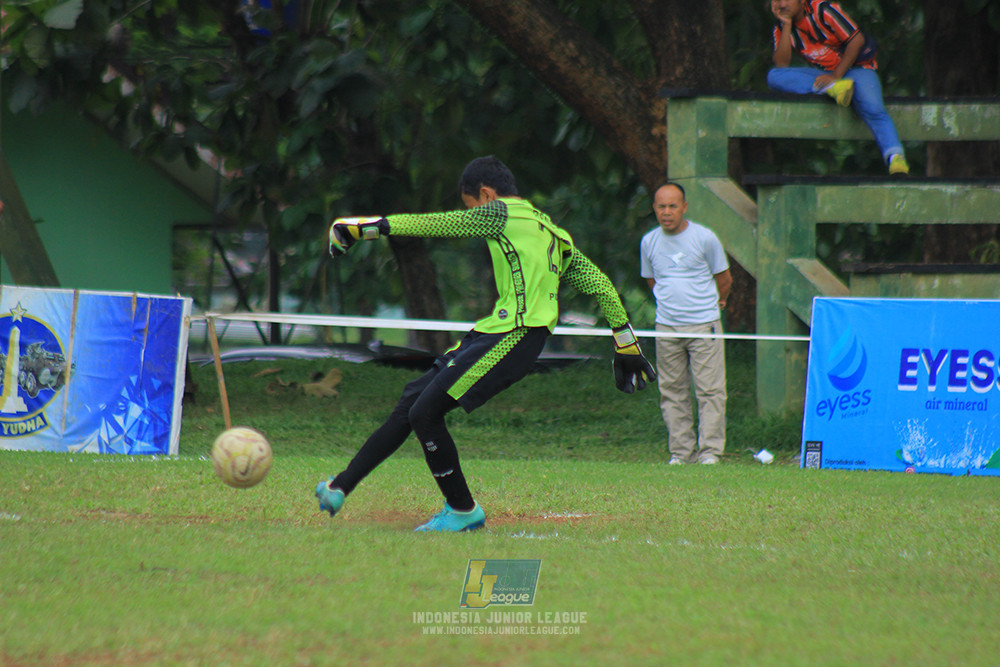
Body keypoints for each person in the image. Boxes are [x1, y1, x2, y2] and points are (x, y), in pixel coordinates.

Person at [315, 156, 655, 532]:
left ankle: (462, 510)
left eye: (472, 205)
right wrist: (626, 344)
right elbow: (601, 284)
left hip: (516, 335)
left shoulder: (499, 213)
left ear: (486, 194)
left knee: (424, 414)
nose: (473, 213)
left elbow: (439, 224)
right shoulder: (552, 231)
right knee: (412, 402)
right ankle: (339, 487)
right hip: (496, 332)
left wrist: (365, 228)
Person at [640, 183, 731, 465]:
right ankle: (681, 453)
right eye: (661, 206)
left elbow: (724, 279)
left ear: (684, 207)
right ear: (654, 208)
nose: (666, 212)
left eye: (672, 206)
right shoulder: (649, 241)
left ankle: (710, 453)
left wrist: (717, 305)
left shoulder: (705, 238)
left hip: (704, 326)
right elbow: (651, 280)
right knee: (671, 391)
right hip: (666, 327)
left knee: (710, 391)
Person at [766, 0, 909, 175]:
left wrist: (836, 75)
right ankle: (831, 88)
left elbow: (857, 40)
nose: (781, 4)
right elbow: (782, 63)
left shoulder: (823, 10)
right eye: (776, 0)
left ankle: (895, 157)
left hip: (855, 70)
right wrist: (786, 25)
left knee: (873, 108)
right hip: (826, 77)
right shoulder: (780, 27)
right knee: (774, 76)